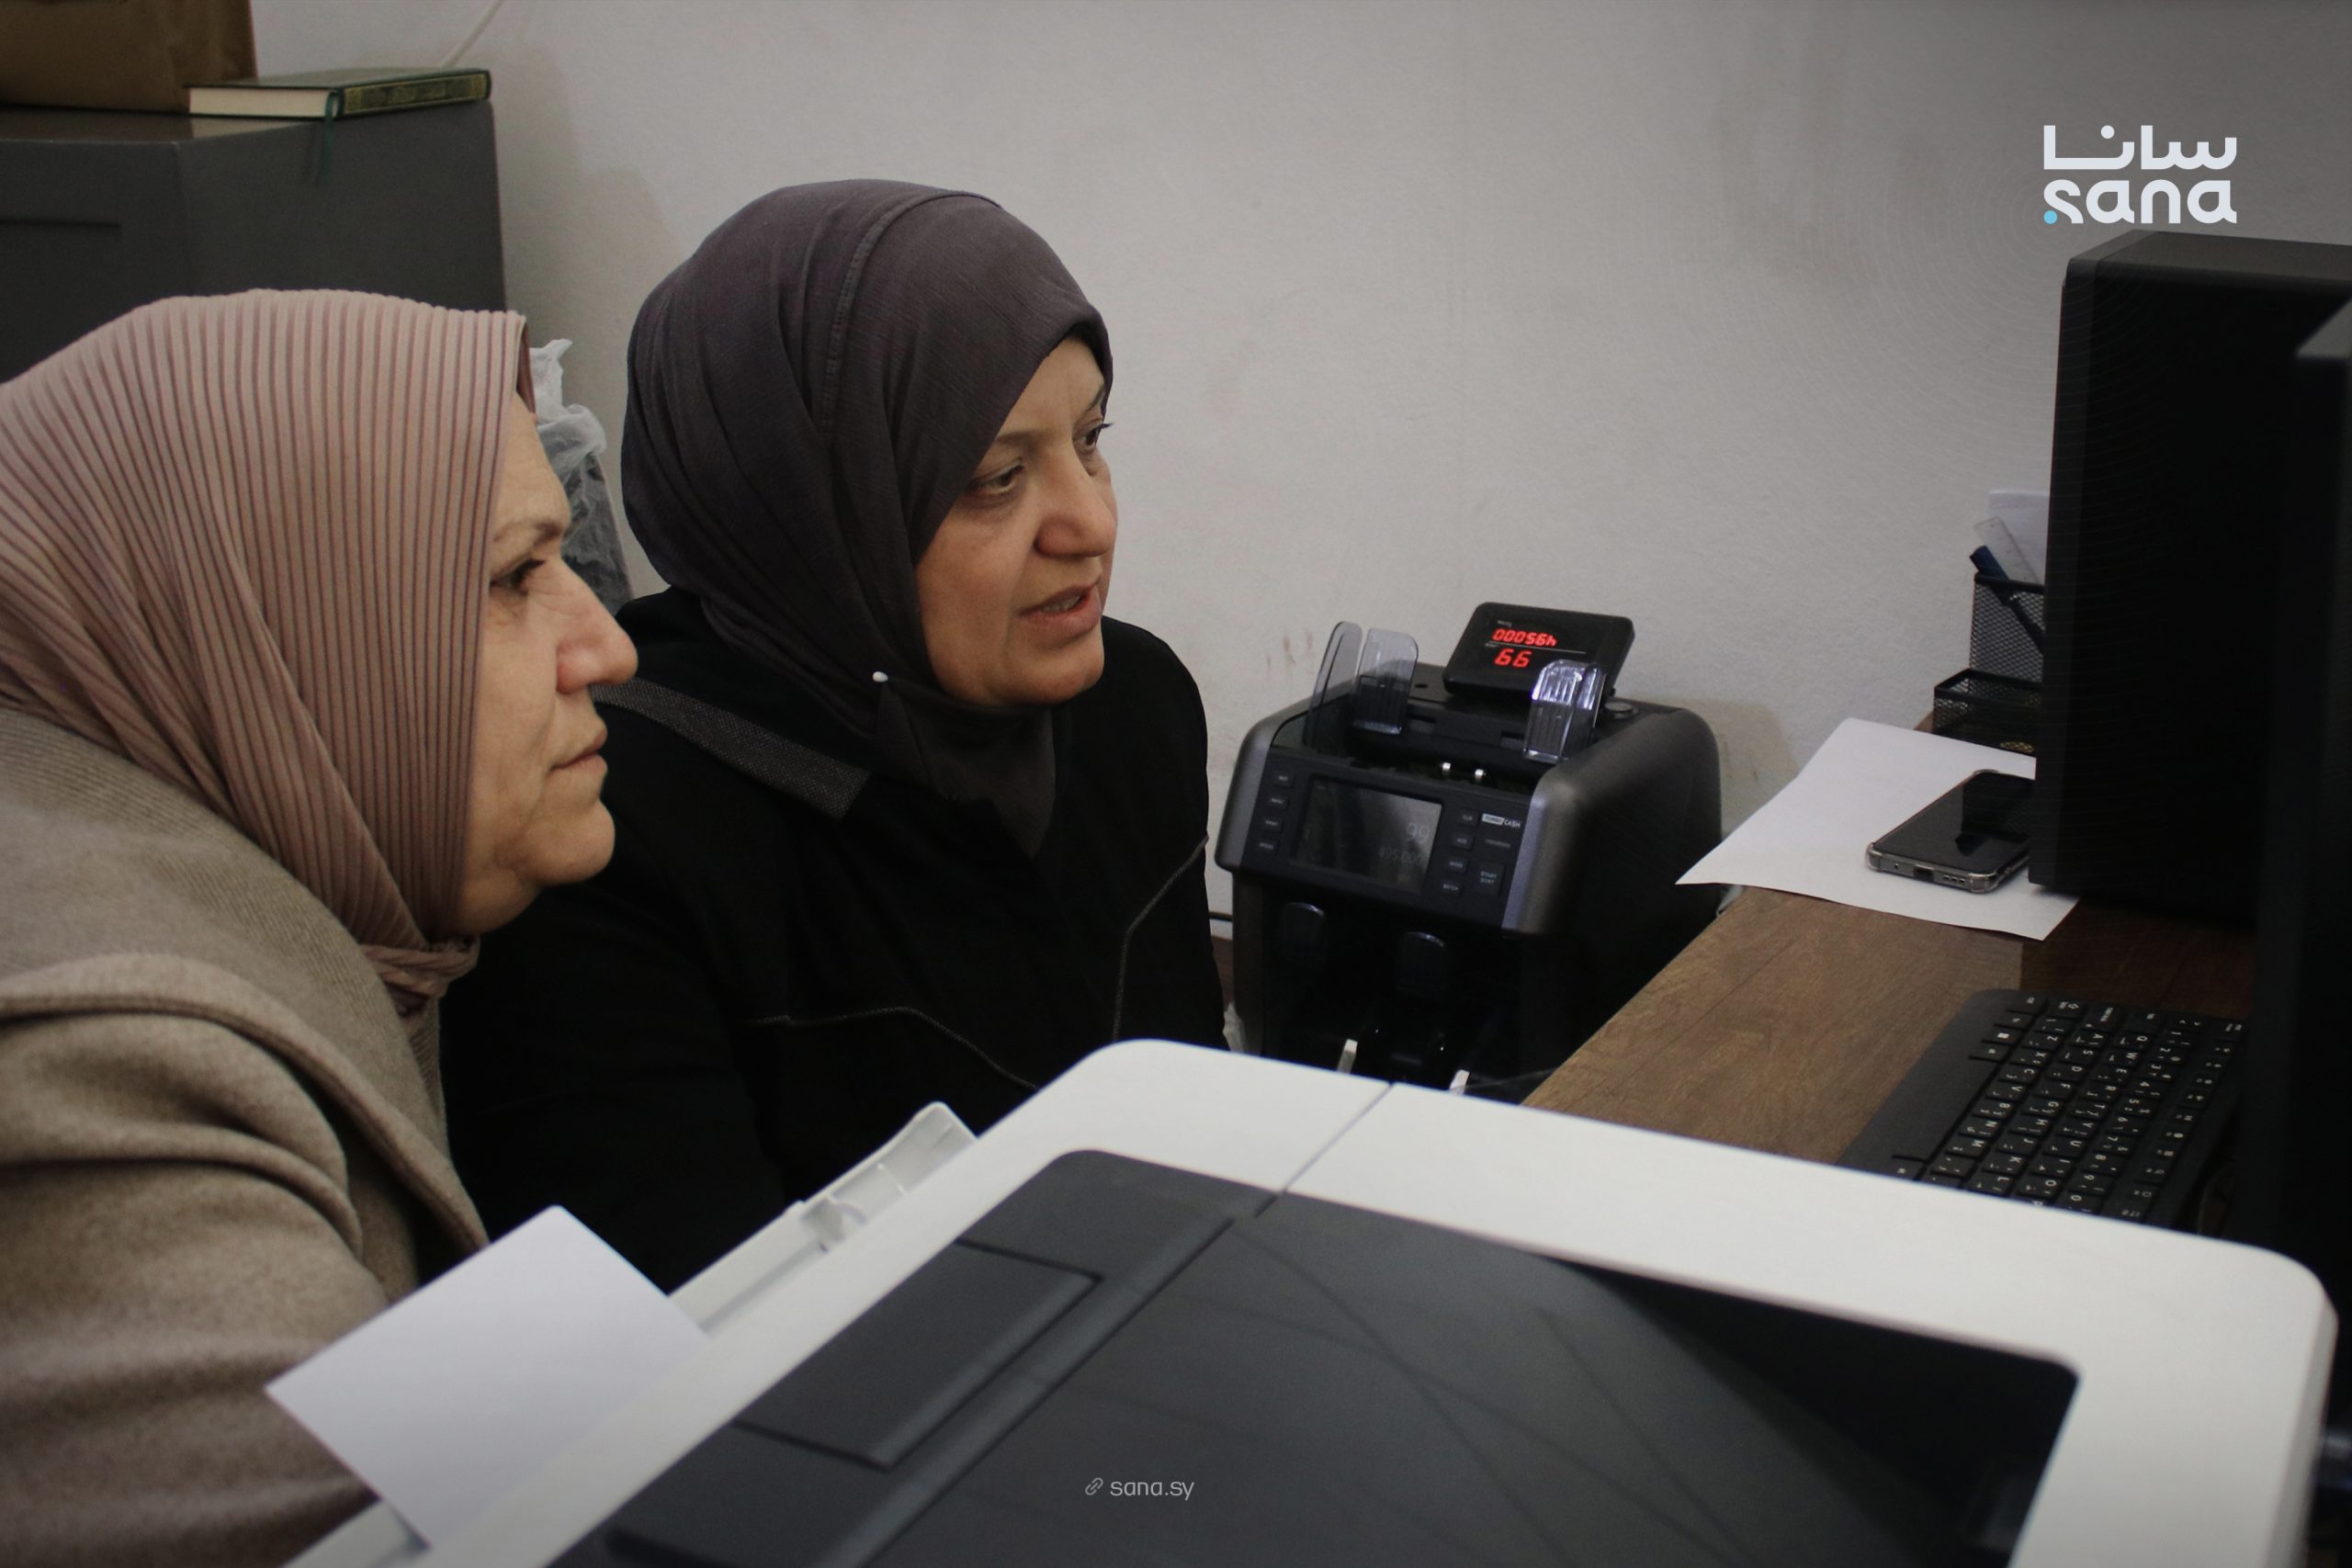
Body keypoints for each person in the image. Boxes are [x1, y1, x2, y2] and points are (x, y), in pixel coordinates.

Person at [444, 181, 1226, 1290]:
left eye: (1090, 441)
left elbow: (1196, 1117)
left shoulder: (1132, 707)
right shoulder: (606, 826)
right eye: (995, 478)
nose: (1091, 520)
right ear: (806, 505)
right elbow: (685, 1338)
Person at [0, 290, 638, 1566]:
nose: (607, 646)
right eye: (514, 575)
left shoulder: (317, 904)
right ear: (270, 626)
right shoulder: (99, 1084)